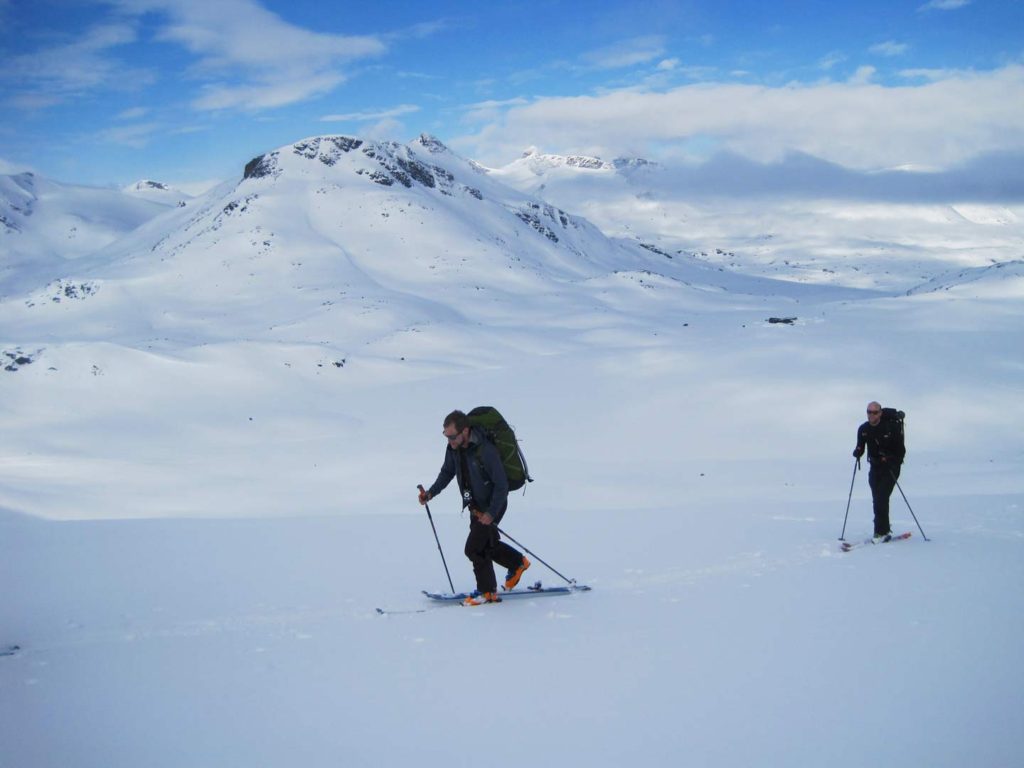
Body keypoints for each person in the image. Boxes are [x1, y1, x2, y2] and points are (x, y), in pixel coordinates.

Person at [419, 410, 530, 606]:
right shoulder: (453, 448)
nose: (449, 441)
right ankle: (517, 563)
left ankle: (486, 592)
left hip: (493, 504)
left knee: (474, 549)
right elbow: (447, 472)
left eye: (452, 436)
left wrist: (491, 513)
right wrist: (430, 493)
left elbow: (502, 485)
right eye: (446, 436)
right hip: (475, 505)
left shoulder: (485, 450)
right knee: (488, 544)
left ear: (465, 431)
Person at [852, 402, 906, 541]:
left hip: (891, 468)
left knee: (881, 497)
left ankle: (881, 532)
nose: (871, 415)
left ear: (880, 413)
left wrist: (890, 458)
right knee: (877, 499)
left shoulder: (891, 427)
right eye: (869, 412)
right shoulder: (864, 429)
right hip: (875, 467)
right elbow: (860, 447)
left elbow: (901, 451)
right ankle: (884, 528)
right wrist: (857, 452)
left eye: (875, 412)